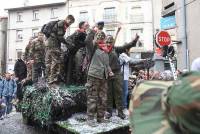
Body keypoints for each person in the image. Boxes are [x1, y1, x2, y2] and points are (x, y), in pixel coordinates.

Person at [104, 32, 139, 120]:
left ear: (112, 42)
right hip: (107, 74)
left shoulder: (116, 49)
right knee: (108, 93)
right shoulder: (102, 50)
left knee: (118, 92)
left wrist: (135, 40)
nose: (108, 44)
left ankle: (120, 112)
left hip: (117, 73)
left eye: (110, 42)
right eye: (107, 42)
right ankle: (109, 112)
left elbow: (126, 46)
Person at [86, 31, 114, 126]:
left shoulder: (105, 50)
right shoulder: (93, 47)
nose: (101, 38)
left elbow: (106, 64)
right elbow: (87, 40)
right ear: (95, 37)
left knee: (103, 98)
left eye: (102, 36)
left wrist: (109, 71)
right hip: (94, 76)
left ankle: (100, 118)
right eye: (99, 36)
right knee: (92, 98)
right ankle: (90, 119)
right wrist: (93, 31)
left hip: (103, 76)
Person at [45, 15, 75, 85]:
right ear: (67, 18)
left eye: (71, 23)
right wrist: (67, 43)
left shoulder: (62, 23)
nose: (70, 24)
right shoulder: (62, 23)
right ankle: (53, 80)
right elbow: (60, 36)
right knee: (56, 61)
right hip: (53, 44)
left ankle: (49, 79)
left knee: (51, 61)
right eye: (70, 22)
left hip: (51, 43)